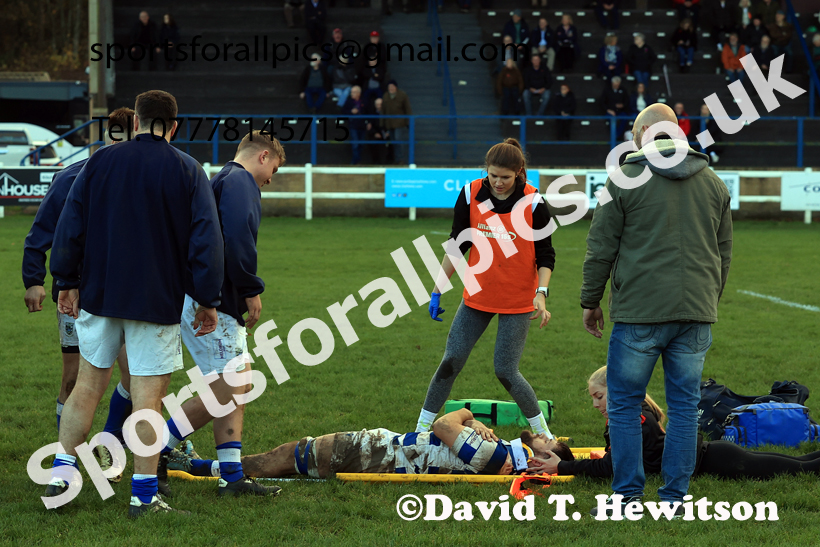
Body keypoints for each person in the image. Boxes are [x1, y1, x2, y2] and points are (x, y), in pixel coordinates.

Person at [47, 90, 225, 518]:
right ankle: (143, 498)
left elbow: (70, 224)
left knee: (87, 386)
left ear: (138, 121)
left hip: (101, 294)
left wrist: (65, 280)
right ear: (174, 125)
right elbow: (207, 240)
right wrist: (208, 299)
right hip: (156, 298)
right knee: (147, 399)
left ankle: (61, 478)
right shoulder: (187, 169)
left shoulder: (99, 162)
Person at [580, 102, 733, 517]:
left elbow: (600, 248)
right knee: (684, 407)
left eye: (634, 132)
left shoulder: (624, 179)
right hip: (696, 312)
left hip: (640, 313)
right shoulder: (715, 183)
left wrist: (590, 301)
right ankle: (675, 498)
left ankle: (628, 496)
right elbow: (724, 253)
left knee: (626, 404)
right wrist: (707, 300)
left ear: (645, 132)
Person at [155, 130, 286, 499]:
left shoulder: (224, 178)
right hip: (212, 300)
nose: (271, 178)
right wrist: (250, 287)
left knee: (231, 386)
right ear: (262, 156)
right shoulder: (240, 181)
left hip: (205, 296)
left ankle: (231, 475)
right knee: (233, 386)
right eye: (273, 168)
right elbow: (235, 238)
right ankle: (158, 449)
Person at [414, 138, 557, 439]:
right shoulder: (470, 193)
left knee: (506, 371)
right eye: (492, 175)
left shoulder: (533, 202)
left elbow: (546, 255)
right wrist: (438, 289)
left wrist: (541, 295)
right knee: (451, 360)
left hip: (518, 300)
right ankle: (421, 429)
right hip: (477, 296)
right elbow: (458, 245)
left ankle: (543, 434)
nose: (498, 182)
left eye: (505, 177)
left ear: (518, 172)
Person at [22, 109, 135, 457]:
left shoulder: (138, 177)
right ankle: (66, 456)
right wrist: (33, 280)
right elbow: (40, 232)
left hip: (121, 294)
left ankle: (108, 444)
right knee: (72, 378)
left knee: (134, 378)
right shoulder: (71, 176)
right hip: (75, 295)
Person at [530, 366, 820, 486]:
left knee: (801, 469)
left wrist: (563, 468)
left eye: (599, 396)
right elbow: (613, 460)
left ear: (617, 392)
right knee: (799, 463)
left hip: (716, 460)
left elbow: (614, 468)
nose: (595, 404)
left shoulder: (630, 419)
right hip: (713, 454)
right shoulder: (632, 413)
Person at [171, 408, 574, 478]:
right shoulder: (500, 452)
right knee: (285, 457)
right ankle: (198, 464)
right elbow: (451, 424)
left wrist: (467, 418)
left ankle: (191, 465)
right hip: (379, 451)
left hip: (376, 453)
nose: (546, 436)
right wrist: (471, 420)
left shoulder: (493, 453)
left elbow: (441, 424)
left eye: (550, 442)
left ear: (542, 455)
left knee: (282, 458)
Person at [381, 80, 412, 165]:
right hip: (389, 123)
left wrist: (408, 122)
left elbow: (407, 109)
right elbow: (383, 110)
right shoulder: (386, 96)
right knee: (393, 141)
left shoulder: (402, 95)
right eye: (389, 87)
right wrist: (382, 124)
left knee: (398, 140)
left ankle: (401, 159)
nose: (390, 88)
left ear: (396, 87)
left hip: (399, 122)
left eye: (392, 86)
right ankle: (397, 158)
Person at [342, 86, 367, 164]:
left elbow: (368, 112)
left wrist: (369, 122)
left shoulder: (364, 101)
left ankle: (357, 160)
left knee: (361, 144)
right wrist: (351, 111)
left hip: (362, 125)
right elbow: (343, 112)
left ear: (358, 93)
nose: (352, 94)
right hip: (353, 125)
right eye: (351, 92)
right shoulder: (349, 101)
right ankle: (355, 162)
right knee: (355, 144)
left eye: (354, 92)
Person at [365, 97, 390, 164]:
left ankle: (387, 162)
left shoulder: (388, 113)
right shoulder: (372, 114)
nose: (379, 106)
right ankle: (375, 162)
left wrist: (388, 132)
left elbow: (391, 123)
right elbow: (370, 125)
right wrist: (375, 133)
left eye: (380, 104)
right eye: (377, 104)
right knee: (373, 142)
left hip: (386, 133)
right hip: (376, 133)